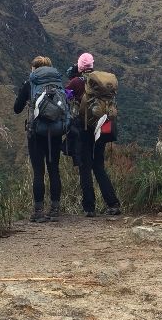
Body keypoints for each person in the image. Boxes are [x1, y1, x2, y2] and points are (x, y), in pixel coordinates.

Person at [66, 52, 121, 217]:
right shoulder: (100, 82)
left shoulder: (76, 82)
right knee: (99, 166)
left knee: (85, 167)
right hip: (101, 128)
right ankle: (113, 203)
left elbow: (65, 96)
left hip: (83, 130)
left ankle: (89, 208)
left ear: (80, 66)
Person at [13, 55, 63, 223]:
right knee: (54, 169)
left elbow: (16, 109)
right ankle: (55, 209)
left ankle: (39, 211)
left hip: (36, 132)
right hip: (56, 132)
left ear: (34, 69)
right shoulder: (57, 84)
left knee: (38, 171)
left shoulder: (30, 84)